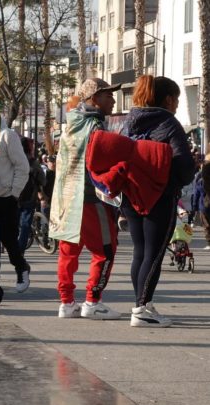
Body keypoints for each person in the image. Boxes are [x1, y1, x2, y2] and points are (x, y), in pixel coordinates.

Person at [121, 75, 195, 327]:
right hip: (159, 197)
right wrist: (176, 180)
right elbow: (184, 165)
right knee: (154, 253)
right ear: (168, 99)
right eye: (177, 100)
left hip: (131, 195)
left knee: (140, 251)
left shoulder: (129, 121)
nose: (176, 105)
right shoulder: (169, 123)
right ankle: (141, 308)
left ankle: (141, 303)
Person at [50, 78, 122, 320]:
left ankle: (66, 302)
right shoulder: (95, 126)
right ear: (93, 98)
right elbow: (101, 163)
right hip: (90, 198)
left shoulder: (71, 122)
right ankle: (92, 301)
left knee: (68, 252)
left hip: (66, 198)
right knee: (106, 251)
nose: (112, 100)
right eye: (107, 95)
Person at [0, 124, 30, 292]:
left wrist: (14, 193)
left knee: (8, 239)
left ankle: (21, 267)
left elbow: (22, 166)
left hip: (5, 198)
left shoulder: (6, 135)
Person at [18, 137, 46, 253]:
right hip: (29, 197)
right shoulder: (33, 162)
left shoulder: (13, 160)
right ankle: (20, 250)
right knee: (25, 225)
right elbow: (43, 180)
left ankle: (10, 246)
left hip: (14, 196)